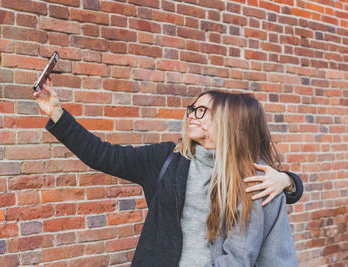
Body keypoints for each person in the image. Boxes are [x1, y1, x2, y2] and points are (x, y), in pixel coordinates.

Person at [34, 80, 302, 266]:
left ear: (226, 120)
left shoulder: (250, 175)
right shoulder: (167, 158)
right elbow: (103, 155)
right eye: (191, 109)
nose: (191, 116)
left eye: (201, 111)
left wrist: (289, 182)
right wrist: (57, 113)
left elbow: (253, 240)